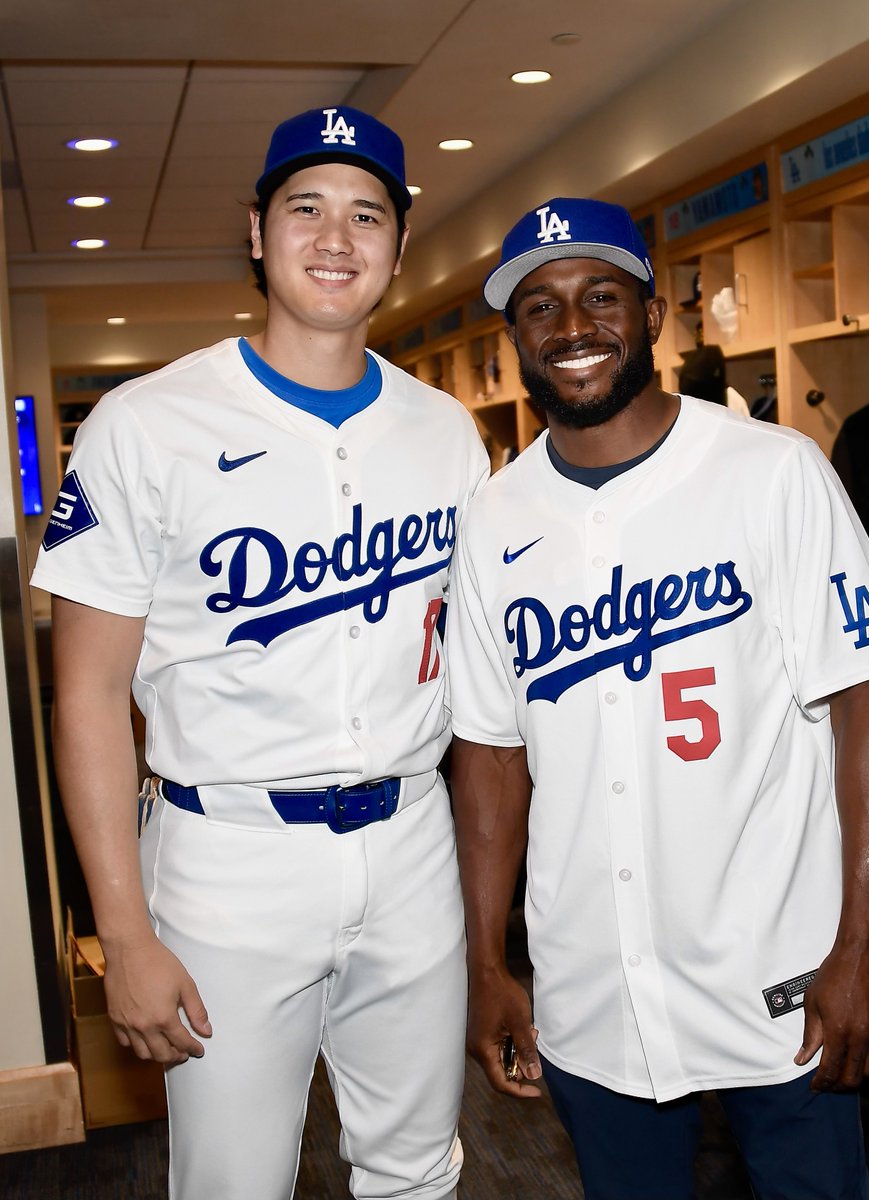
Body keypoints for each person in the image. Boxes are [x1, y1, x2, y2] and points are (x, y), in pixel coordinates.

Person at [31, 106, 489, 1200]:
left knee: (419, 1169)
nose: (337, 237)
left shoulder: (446, 433)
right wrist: (122, 938)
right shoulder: (145, 424)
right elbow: (86, 694)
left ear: (397, 245)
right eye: (307, 208)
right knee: (232, 1181)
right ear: (256, 231)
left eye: (366, 214)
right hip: (227, 851)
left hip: (409, 839)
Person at [446, 196, 869, 1200]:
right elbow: (489, 753)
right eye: (540, 307)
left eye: (601, 296)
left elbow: (868, 707)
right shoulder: (494, 519)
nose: (573, 328)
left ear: (654, 316)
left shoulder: (771, 473)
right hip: (590, 990)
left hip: (785, 979)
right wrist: (486, 963)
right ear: (516, 336)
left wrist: (867, 942)